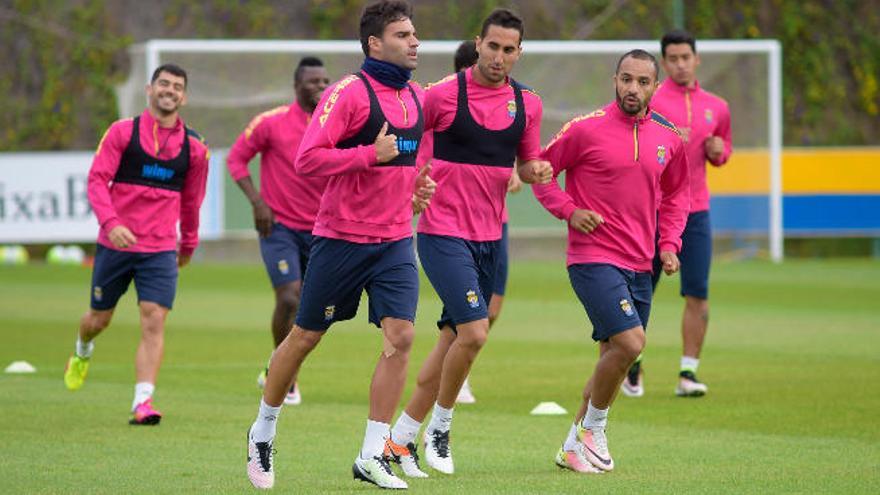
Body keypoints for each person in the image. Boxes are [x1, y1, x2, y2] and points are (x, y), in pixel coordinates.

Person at [245, 1, 435, 490]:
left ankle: (371, 455)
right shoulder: (348, 92)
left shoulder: (417, 96)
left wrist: (416, 187)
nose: (414, 42)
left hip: (395, 240)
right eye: (403, 35)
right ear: (375, 43)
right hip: (341, 238)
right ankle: (262, 430)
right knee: (304, 337)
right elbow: (308, 159)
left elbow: (413, 155)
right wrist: (369, 154)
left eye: (414, 34)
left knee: (401, 337)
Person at [385, 8, 551, 477]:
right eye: (492, 46)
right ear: (478, 44)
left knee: (453, 340)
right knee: (475, 333)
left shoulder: (528, 104)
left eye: (508, 49)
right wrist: (412, 183)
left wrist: (534, 171)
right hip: (442, 233)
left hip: (490, 238)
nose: (499, 57)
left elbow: (527, 163)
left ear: (519, 53)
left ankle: (399, 440)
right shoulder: (441, 95)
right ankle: (440, 427)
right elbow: (406, 144)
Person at [533, 50, 689, 473]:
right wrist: (569, 211)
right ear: (615, 80)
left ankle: (571, 447)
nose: (632, 88)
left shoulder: (669, 137)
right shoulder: (585, 128)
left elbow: (678, 194)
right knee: (631, 344)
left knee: (613, 358)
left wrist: (669, 243)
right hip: (592, 258)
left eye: (642, 81)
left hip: (641, 263)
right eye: (626, 79)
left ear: (655, 87)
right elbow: (541, 171)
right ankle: (594, 429)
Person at [63, 64, 210, 426]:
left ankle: (143, 401)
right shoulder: (121, 133)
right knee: (98, 319)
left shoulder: (194, 149)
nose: (170, 90)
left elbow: (192, 202)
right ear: (149, 89)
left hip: (160, 250)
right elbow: (97, 181)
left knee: (154, 319)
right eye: (164, 83)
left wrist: (188, 246)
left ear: (184, 97)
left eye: (177, 86)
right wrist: (111, 223)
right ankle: (82, 349)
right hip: (115, 245)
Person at [621, 30, 732, 398]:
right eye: (673, 58)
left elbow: (723, 149)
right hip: (650, 213)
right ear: (664, 63)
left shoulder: (717, 106)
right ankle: (632, 367)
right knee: (639, 292)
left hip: (695, 213)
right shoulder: (652, 99)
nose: (681, 64)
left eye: (686, 57)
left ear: (696, 59)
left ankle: (688, 373)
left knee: (698, 293)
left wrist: (719, 151)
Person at [226, 56, 331, 406]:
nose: (320, 86)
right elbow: (235, 159)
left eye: (324, 81)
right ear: (296, 85)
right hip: (280, 227)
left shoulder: (336, 124)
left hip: (323, 230)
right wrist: (257, 202)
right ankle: (287, 379)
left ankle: (276, 366)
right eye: (313, 81)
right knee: (289, 297)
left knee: (317, 311)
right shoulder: (271, 122)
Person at [449, 40, 524, 406]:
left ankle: (459, 370)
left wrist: (517, 171)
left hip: (494, 223)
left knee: (490, 309)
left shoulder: (509, 106)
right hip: (453, 226)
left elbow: (515, 154)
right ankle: (452, 381)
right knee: (465, 311)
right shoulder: (448, 108)